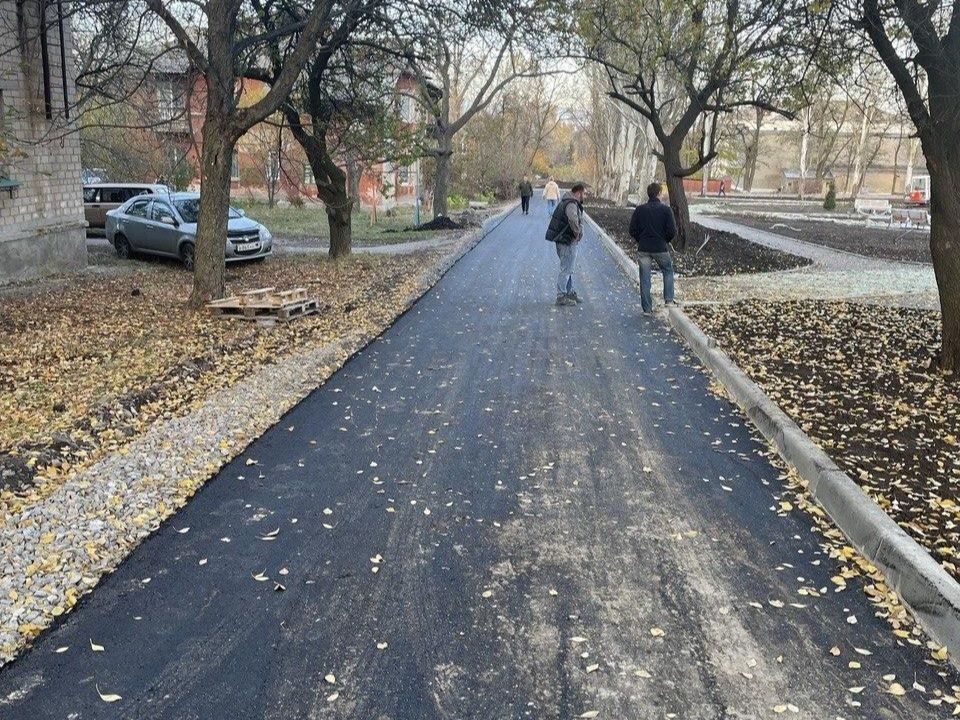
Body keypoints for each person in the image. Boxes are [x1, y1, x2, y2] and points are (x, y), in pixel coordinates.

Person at [628, 182, 677, 314]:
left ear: (648, 194)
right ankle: (668, 300)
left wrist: (641, 240)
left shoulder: (640, 210)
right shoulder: (666, 210)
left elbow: (632, 230)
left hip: (643, 249)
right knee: (667, 270)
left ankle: (647, 309)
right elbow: (672, 231)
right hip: (660, 248)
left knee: (644, 278)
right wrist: (664, 240)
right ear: (659, 194)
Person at [545, 182, 586, 306]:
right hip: (567, 241)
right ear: (578, 193)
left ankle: (569, 292)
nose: (585, 196)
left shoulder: (567, 201)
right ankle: (561, 295)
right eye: (584, 194)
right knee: (566, 268)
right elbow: (573, 219)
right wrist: (577, 233)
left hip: (564, 240)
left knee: (568, 268)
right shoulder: (571, 204)